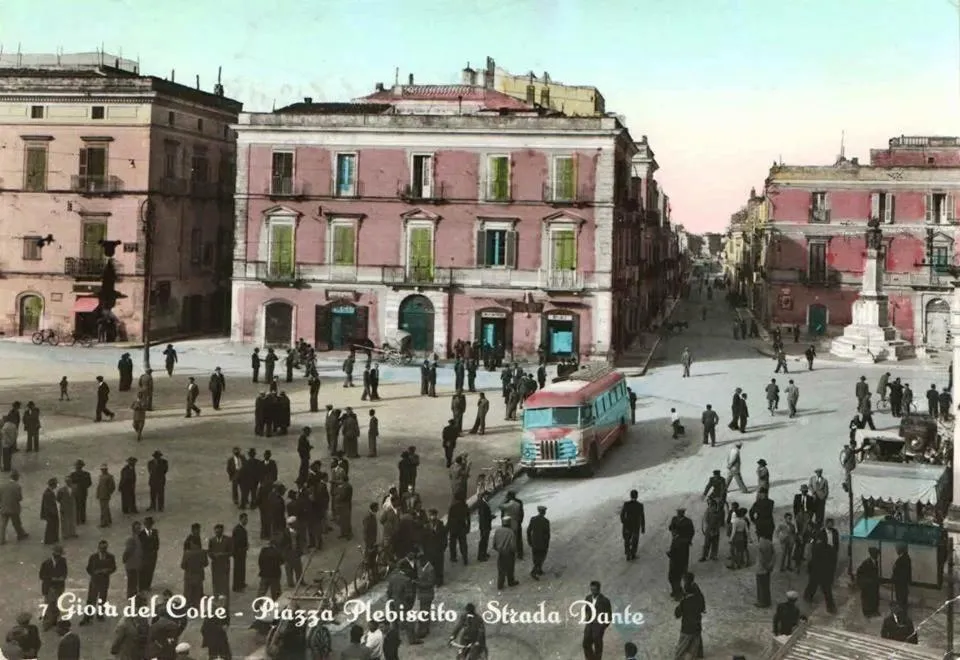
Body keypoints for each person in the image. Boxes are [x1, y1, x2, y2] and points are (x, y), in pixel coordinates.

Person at [581, 580, 612, 660]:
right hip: (589, 626)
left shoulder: (605, 601)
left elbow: (609, 616)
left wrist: (603, 626)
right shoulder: (588, 598)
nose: (593, 592)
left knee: (598, 647)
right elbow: (586, 609)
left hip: (598, 627)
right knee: (585, 644)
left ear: (599, 589)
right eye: (591, 590)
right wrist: (587, 618)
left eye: (594, 590)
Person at [620, 490, 645, 561]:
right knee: (635, 540)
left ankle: (628, 553)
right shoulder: (640, 505)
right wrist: (643, 527)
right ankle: (633, 554)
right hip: (636, 526)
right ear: (637, 496)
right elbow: (642, 517)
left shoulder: (626, 504)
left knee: (627, 540)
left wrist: (624, 522)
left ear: (630, 496)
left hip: (627, 526)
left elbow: (622, 514)